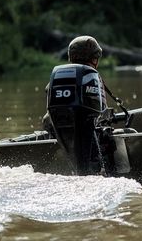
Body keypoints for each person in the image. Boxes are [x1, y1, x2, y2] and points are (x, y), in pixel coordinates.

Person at [42, 35, 111, 175]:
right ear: (94, 58)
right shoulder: (91, 77)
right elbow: (102, 112)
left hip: (58, 136)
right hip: (86, 141)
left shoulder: (57, 79)